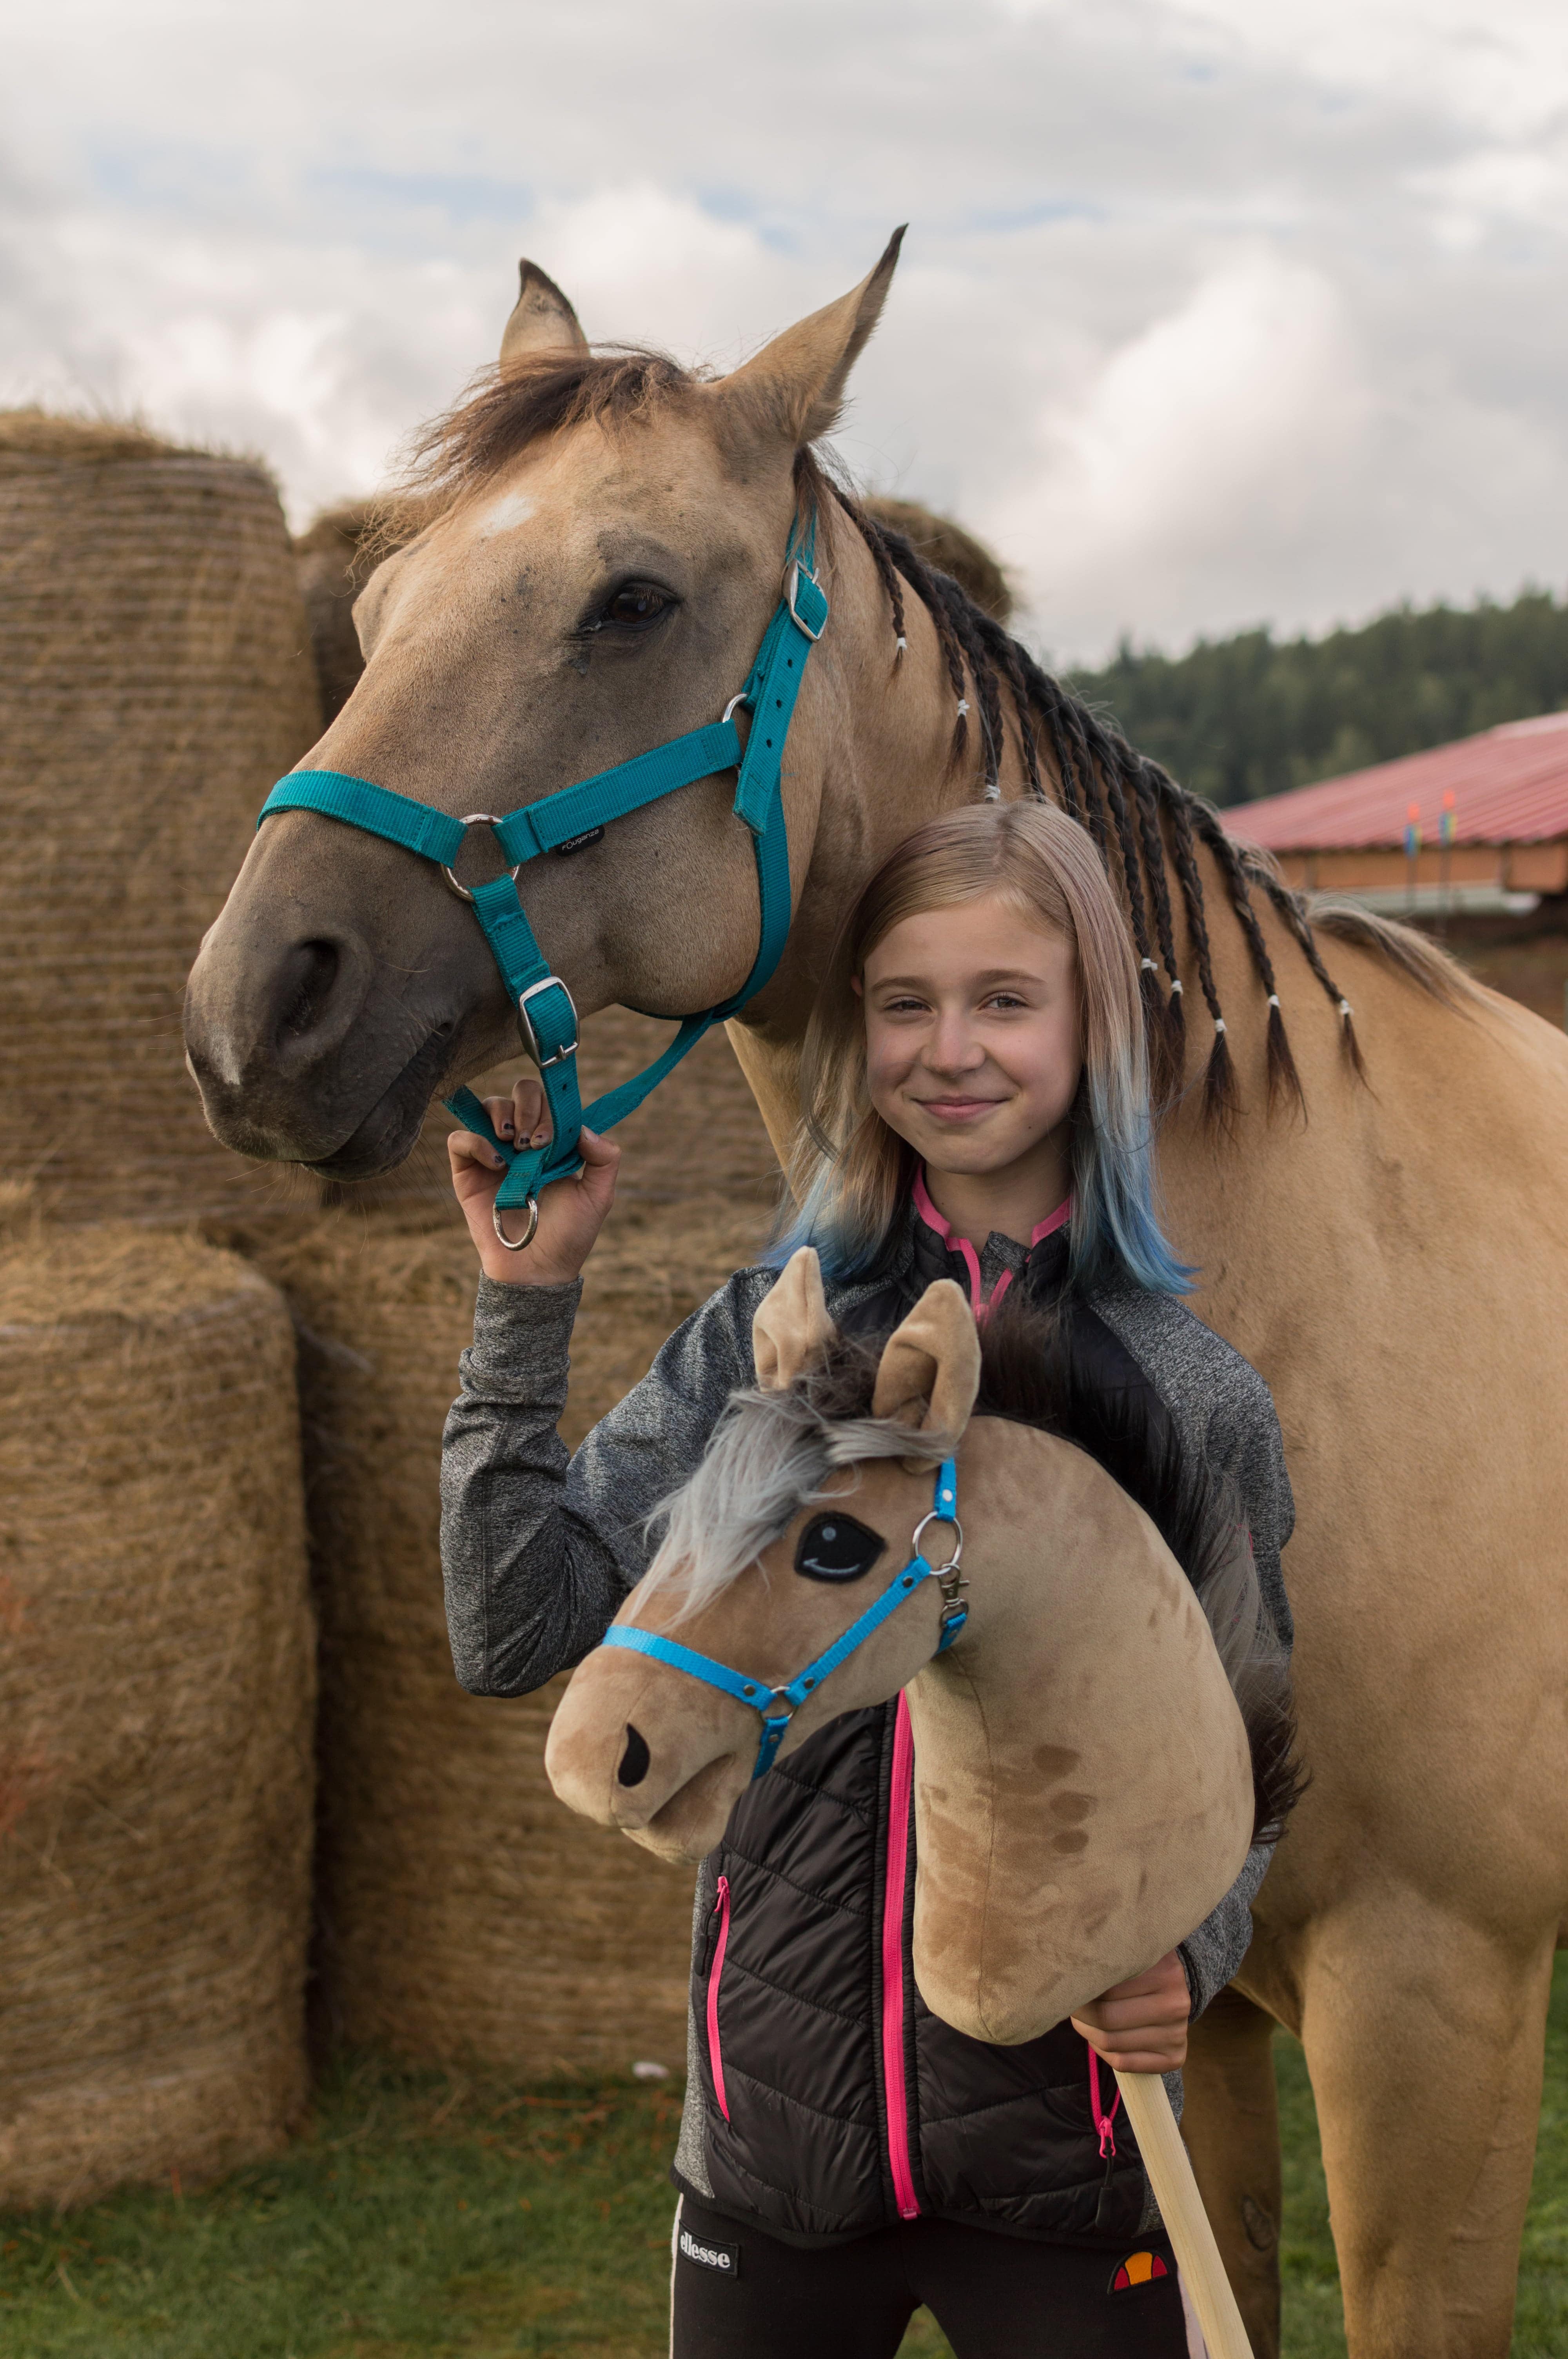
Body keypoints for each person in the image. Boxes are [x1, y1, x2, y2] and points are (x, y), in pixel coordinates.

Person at [441, 800, 1294, 2359]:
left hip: (1073, 2159)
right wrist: (526, 1299)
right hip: (772, 2159)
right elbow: (515, 1626)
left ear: (1090, 1028)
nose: (950, 1048)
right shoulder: (759, 1334)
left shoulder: (1183, 1387)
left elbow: (1249, 1744)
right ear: (857, 1035)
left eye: (1004, 1001)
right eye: (905, 1004)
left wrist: (1196, 1949)